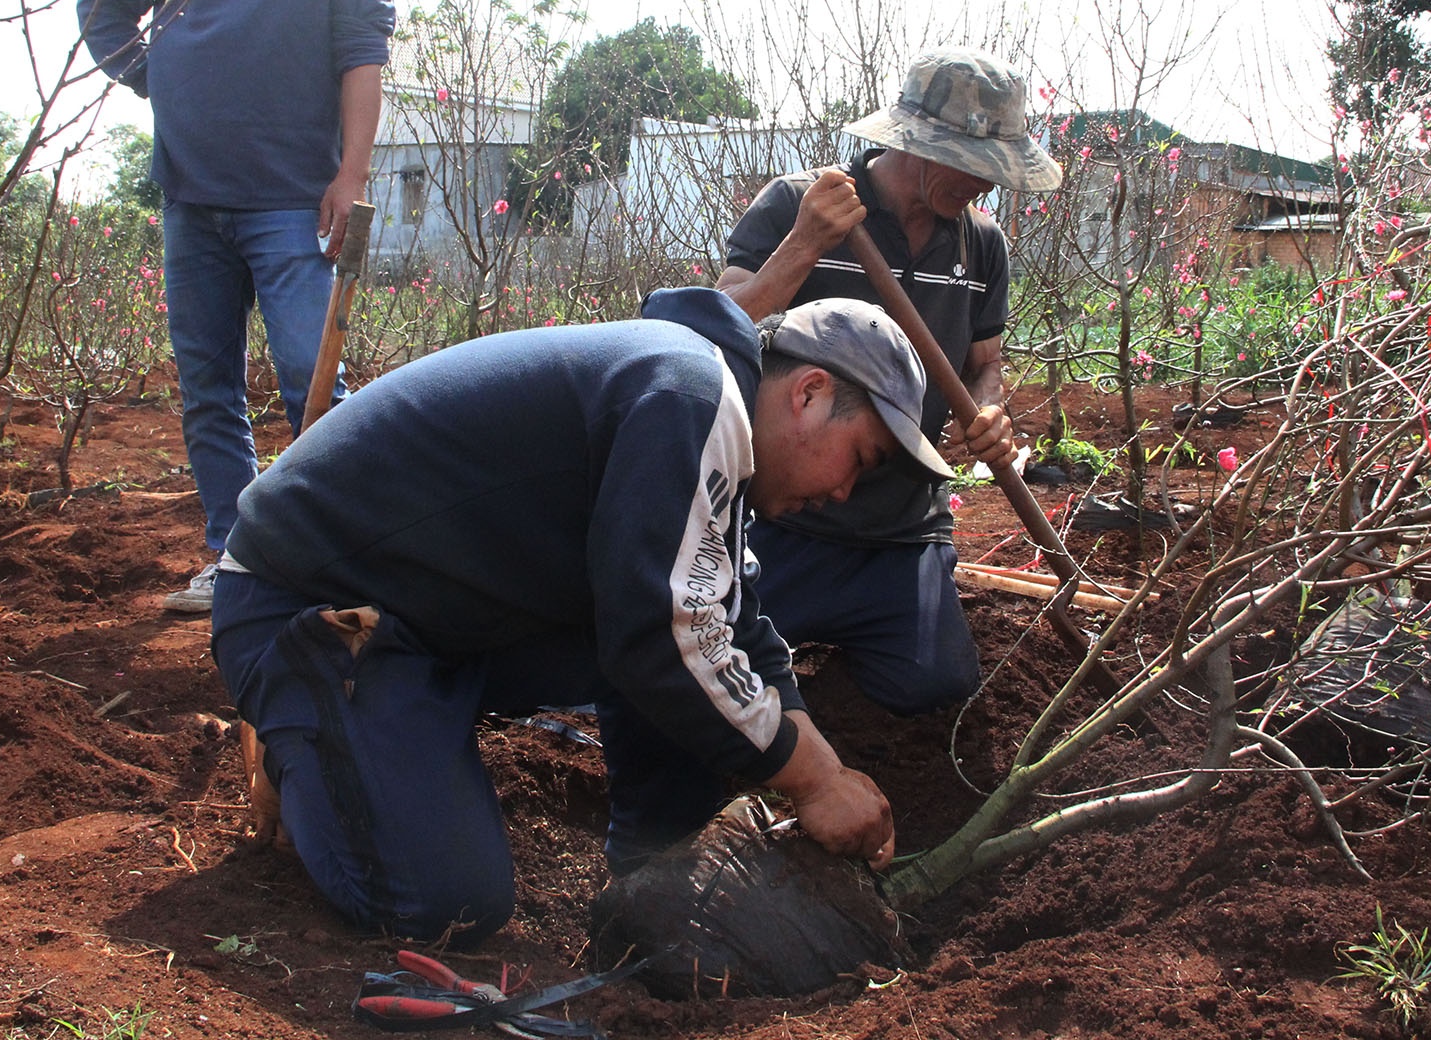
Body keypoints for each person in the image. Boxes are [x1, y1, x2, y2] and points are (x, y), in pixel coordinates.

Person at [209, 287, 949, 941]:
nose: (848, 495)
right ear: (810, 393)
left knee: (678, 636)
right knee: (443, 903)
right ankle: (307, 743)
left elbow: (728, 614)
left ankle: (651, 866)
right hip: (310, 609)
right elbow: (667, 636)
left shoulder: (707, 409)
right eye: (863, 458)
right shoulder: (693, 397)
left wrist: (816, 751)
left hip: (426, 609)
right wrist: (814, 780)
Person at [77, 0, 395, 614]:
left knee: (309, 375)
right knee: (208, 385)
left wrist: (350, 174)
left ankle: (352, 542)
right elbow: (100, 10)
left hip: (294, 199)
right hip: (191, 201)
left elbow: (362, 55)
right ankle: (235, 551)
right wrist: (159, 79)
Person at [717, 46, 1063, 715]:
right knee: (711, 671)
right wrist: (805, 244)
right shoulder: (799, 204)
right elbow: (718, 324)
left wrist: (988, 412)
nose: (983, 186)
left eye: (995, 172)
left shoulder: (980, 244)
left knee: (936, 689)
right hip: (786, 518)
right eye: (972, 165)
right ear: (916, 144)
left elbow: (982, 363)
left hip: (903, 530)